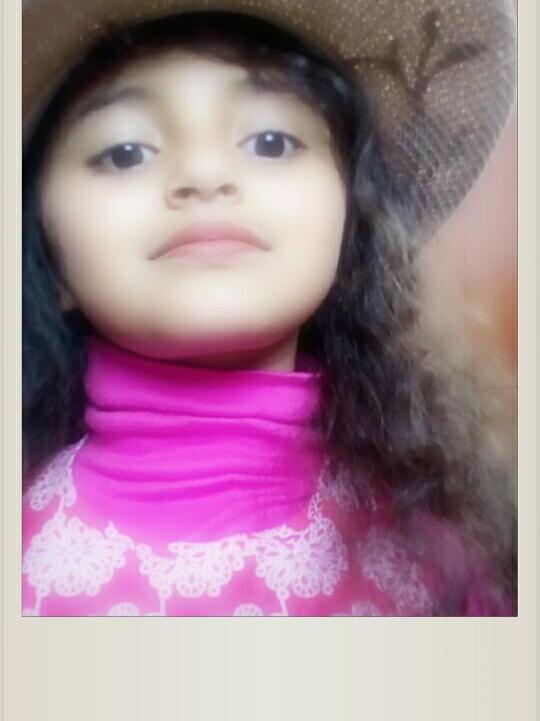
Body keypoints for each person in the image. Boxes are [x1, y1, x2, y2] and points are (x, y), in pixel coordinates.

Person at [22, 1, 517, 616]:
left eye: (271, 141)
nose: (205, 174)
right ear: (45, 254)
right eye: (125, 152)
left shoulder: (445, 557)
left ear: (350, 229)